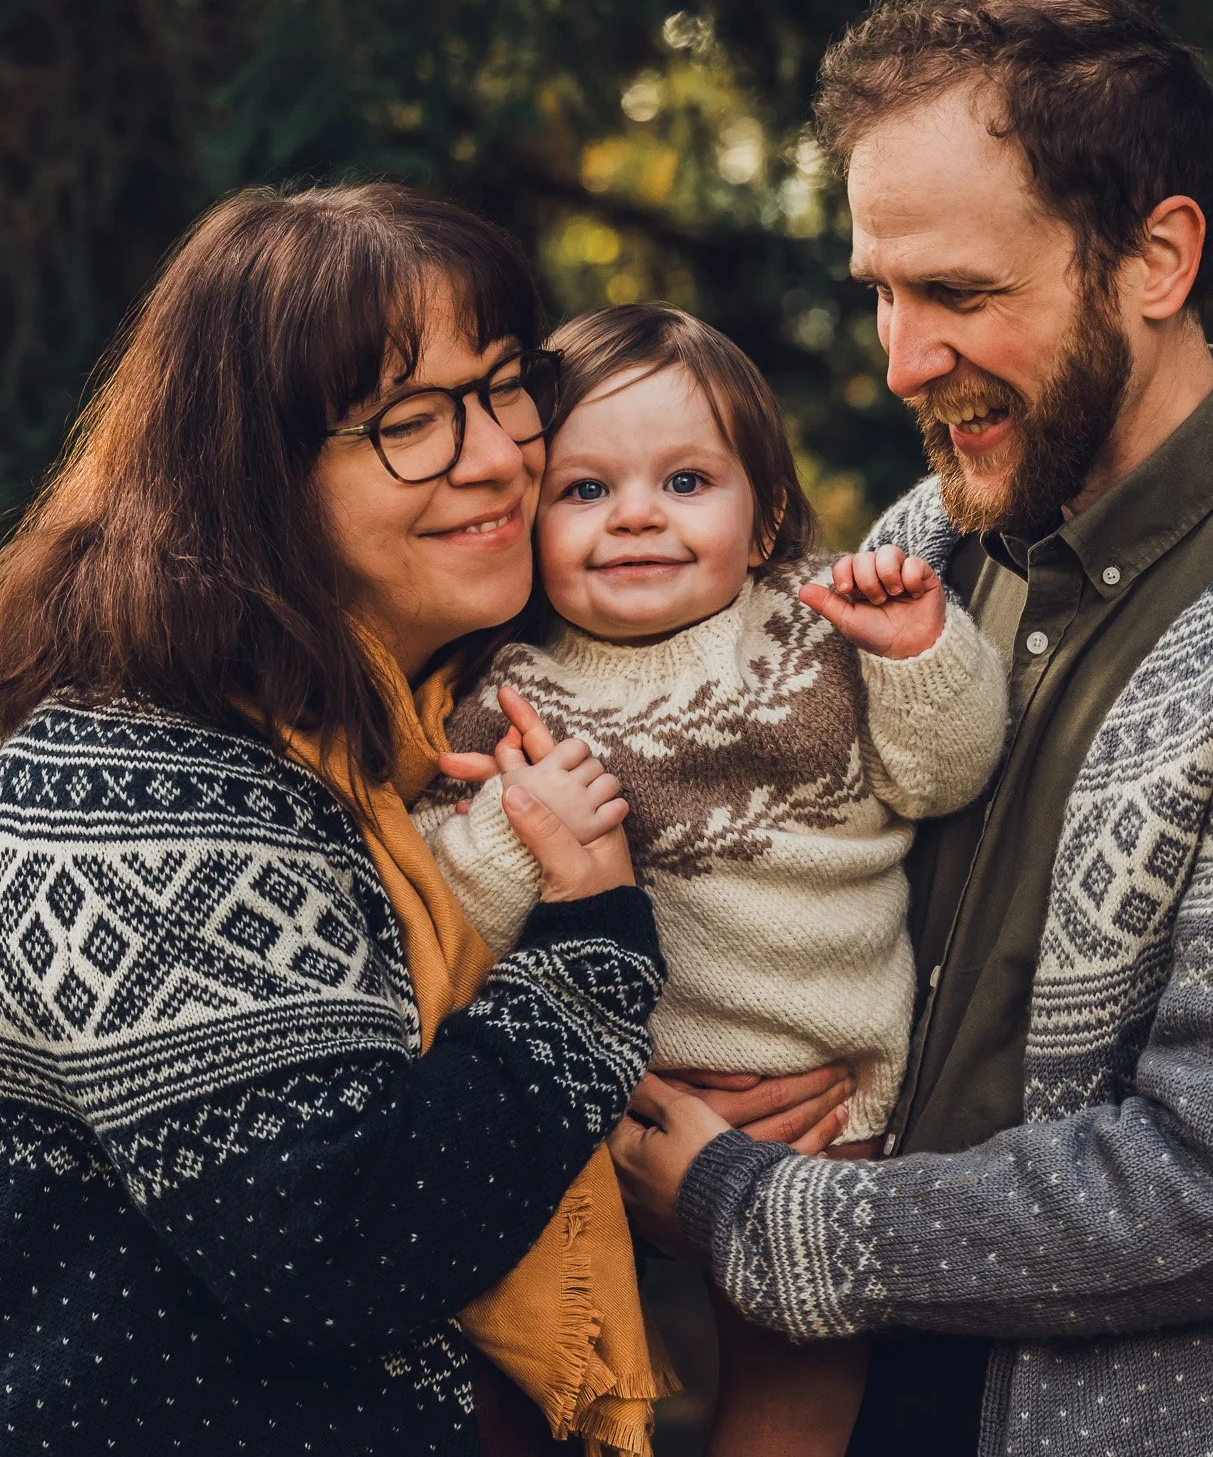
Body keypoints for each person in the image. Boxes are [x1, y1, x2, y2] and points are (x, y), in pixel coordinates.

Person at [609, 0, 1213, 1457]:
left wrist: (759, 1210)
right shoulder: (926, 543)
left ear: (1156, 258)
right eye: (882, 293)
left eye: (960, 294)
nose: (901, 360)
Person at [0, 182, 840, 1457]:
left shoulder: (413, 741)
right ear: (252, 481)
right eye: (406, 422)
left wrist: (678, 1126)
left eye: (502, 385)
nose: (493, 453)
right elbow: (334, 1246)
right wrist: (591, 956)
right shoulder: (147, 788)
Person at [414, 304, 1008, 1455]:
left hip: (817, 1107)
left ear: (766, 512)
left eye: (684, 482)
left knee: (793, 1376)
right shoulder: (511, 690)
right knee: (516, 1353)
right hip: (584, 1117)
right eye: (583, 492)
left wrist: (921, 657)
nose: (634, 515)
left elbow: (940, 777)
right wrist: (507, 833)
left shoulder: (821, 631)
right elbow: (447, 915)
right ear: (527, 522)